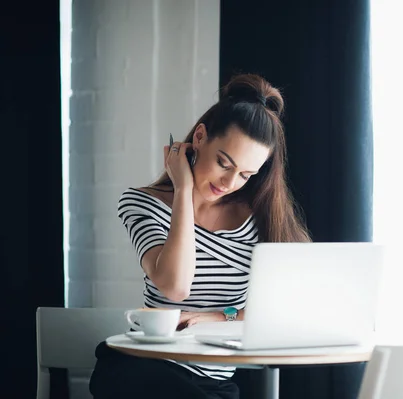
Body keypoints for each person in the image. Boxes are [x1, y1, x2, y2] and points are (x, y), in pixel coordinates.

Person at [89, 74, 310, 399]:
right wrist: (183, 190)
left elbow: (290, 305)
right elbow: (175, 285)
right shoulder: (143, 203)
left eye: (246, 174)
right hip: (141, 366)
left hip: (212, 383)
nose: (230, 181)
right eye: (224, 163)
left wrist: (221, 316)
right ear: (201, 136)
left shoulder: (261, 220)